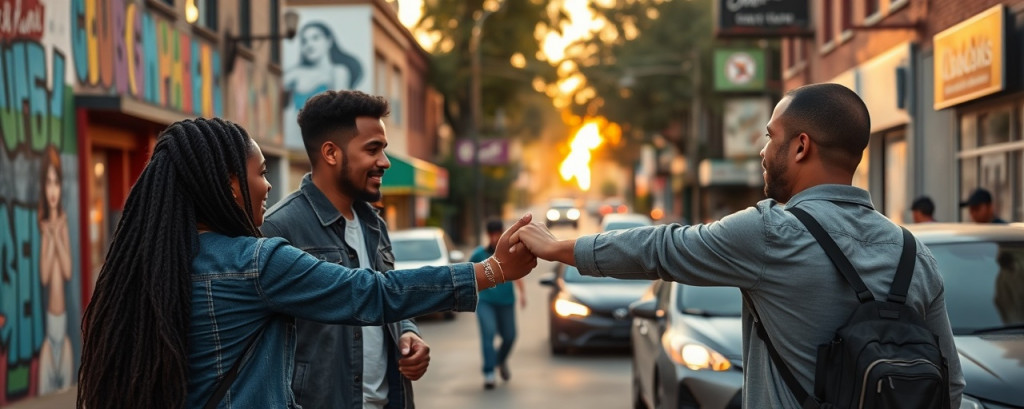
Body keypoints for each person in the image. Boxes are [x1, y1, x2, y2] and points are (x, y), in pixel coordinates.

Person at [512, 83, 964, 408]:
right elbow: (951, 386)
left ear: (801, 146)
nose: (764, 151)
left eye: (771, 137)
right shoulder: (914, 254)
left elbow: (660, 248)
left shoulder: (770, 234)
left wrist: (558, 249)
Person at [76, 117, 537, 409]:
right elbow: (370, 292)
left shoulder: (152, 264)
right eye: (260, 173)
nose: (269, 187)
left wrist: (409, 329)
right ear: (229, 185)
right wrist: (491, 270)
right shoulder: (257, 261)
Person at [260, 90, 423, 408]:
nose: (384, 162)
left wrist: (408, 331)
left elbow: (389, 295)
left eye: (383, 149)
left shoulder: (375, 223)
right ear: (331, 153)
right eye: (372, 149)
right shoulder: (277, 229)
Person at [471, 219, 526, 390]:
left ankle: (500, 361)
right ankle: (489, 372)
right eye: (492, 234)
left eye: (498, 234)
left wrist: (522, 293)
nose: (495, 237)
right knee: (488, 334)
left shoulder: (509, 252)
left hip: (506, 301)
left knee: (510, 336)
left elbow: (516, 272)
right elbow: (468, 274)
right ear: (488, 235)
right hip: (485, 301)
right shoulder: (478, 254)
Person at [38, 146, 73, 394]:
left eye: (56, 182)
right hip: (50, 335)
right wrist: (49, 233)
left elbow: (68, 270)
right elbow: (45, 274)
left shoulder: (62, 224)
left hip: (65, 332)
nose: (53, 190)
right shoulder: (47, 225)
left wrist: (57, 232)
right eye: (48, 183)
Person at [284, 22, 364, 112]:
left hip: (325, 125)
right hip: (295, 126)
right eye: (304, 41)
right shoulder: (295, 73)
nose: (309, 44)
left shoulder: (337, 71)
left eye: (315, 38)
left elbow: (341, 109)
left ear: (329, 41)